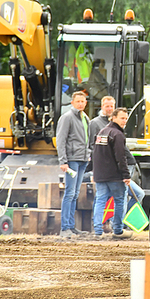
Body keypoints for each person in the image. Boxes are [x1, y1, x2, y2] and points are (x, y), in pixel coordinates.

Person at [88, 96, 145, 216]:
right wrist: (95, 169)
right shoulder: (96, 123)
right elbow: (94, 148)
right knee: (107, 197)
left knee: (138, 194)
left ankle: (121, 222)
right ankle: (107, 224)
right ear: (102, 107)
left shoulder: (118, 125)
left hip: (126, 164)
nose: (109, 108)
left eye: (111, 106)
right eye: (106, 106)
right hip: (112, 169)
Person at [91, 107, 132, 239]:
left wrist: (95, 173)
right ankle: (118, 230)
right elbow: (121, 157)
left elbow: (95, 154)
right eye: (122, 118)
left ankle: (97, 230)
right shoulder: (117, 134)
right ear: (113, 118)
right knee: (120, 201)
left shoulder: (102, 132)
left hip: (101, 175)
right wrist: (126, 175)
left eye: (126, 118)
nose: (124, 121)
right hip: (114, 176)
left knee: (100, 200)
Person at [56, 91, 91, 238]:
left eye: (83, 102)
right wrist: (63, 161)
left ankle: (71, 226)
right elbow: (61, 139)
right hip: (72, 160)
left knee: (75, 194)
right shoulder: (67, 118)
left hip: (82, 159)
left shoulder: (85, 118)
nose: (81, 104)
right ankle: (65, 228)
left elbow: (87, 138)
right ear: (72, 103)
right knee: (69, 193)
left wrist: (88, 154)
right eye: (78, 102)